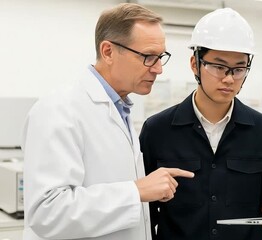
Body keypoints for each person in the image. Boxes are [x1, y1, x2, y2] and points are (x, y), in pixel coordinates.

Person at [22, 3, 194, 240]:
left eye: (160, 57)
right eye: (148, 57)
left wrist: (143, 192)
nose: (158, 69)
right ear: (108, 52)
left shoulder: (120, 109)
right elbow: (46, 212)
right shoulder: (58, 110)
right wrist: (136, 191)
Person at [139, 8, 262, 240]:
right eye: (218, 66)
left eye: (239, 69)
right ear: (195, 65)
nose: (228, 78)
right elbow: (146, 214)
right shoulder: (157, 130)